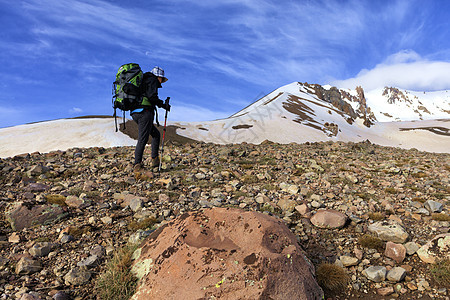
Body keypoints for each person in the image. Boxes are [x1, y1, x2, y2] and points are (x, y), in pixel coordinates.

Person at [131, 66, 171, 171]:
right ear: (159, 77)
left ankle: (155, 160)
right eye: (162, 79)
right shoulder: (152, 80)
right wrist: (163, 105)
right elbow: (152, 97)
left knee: (155, 134)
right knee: (143, 138)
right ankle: (137, 165)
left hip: (135, 112)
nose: (162, 82)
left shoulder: (144, 80)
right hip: (144, 112)